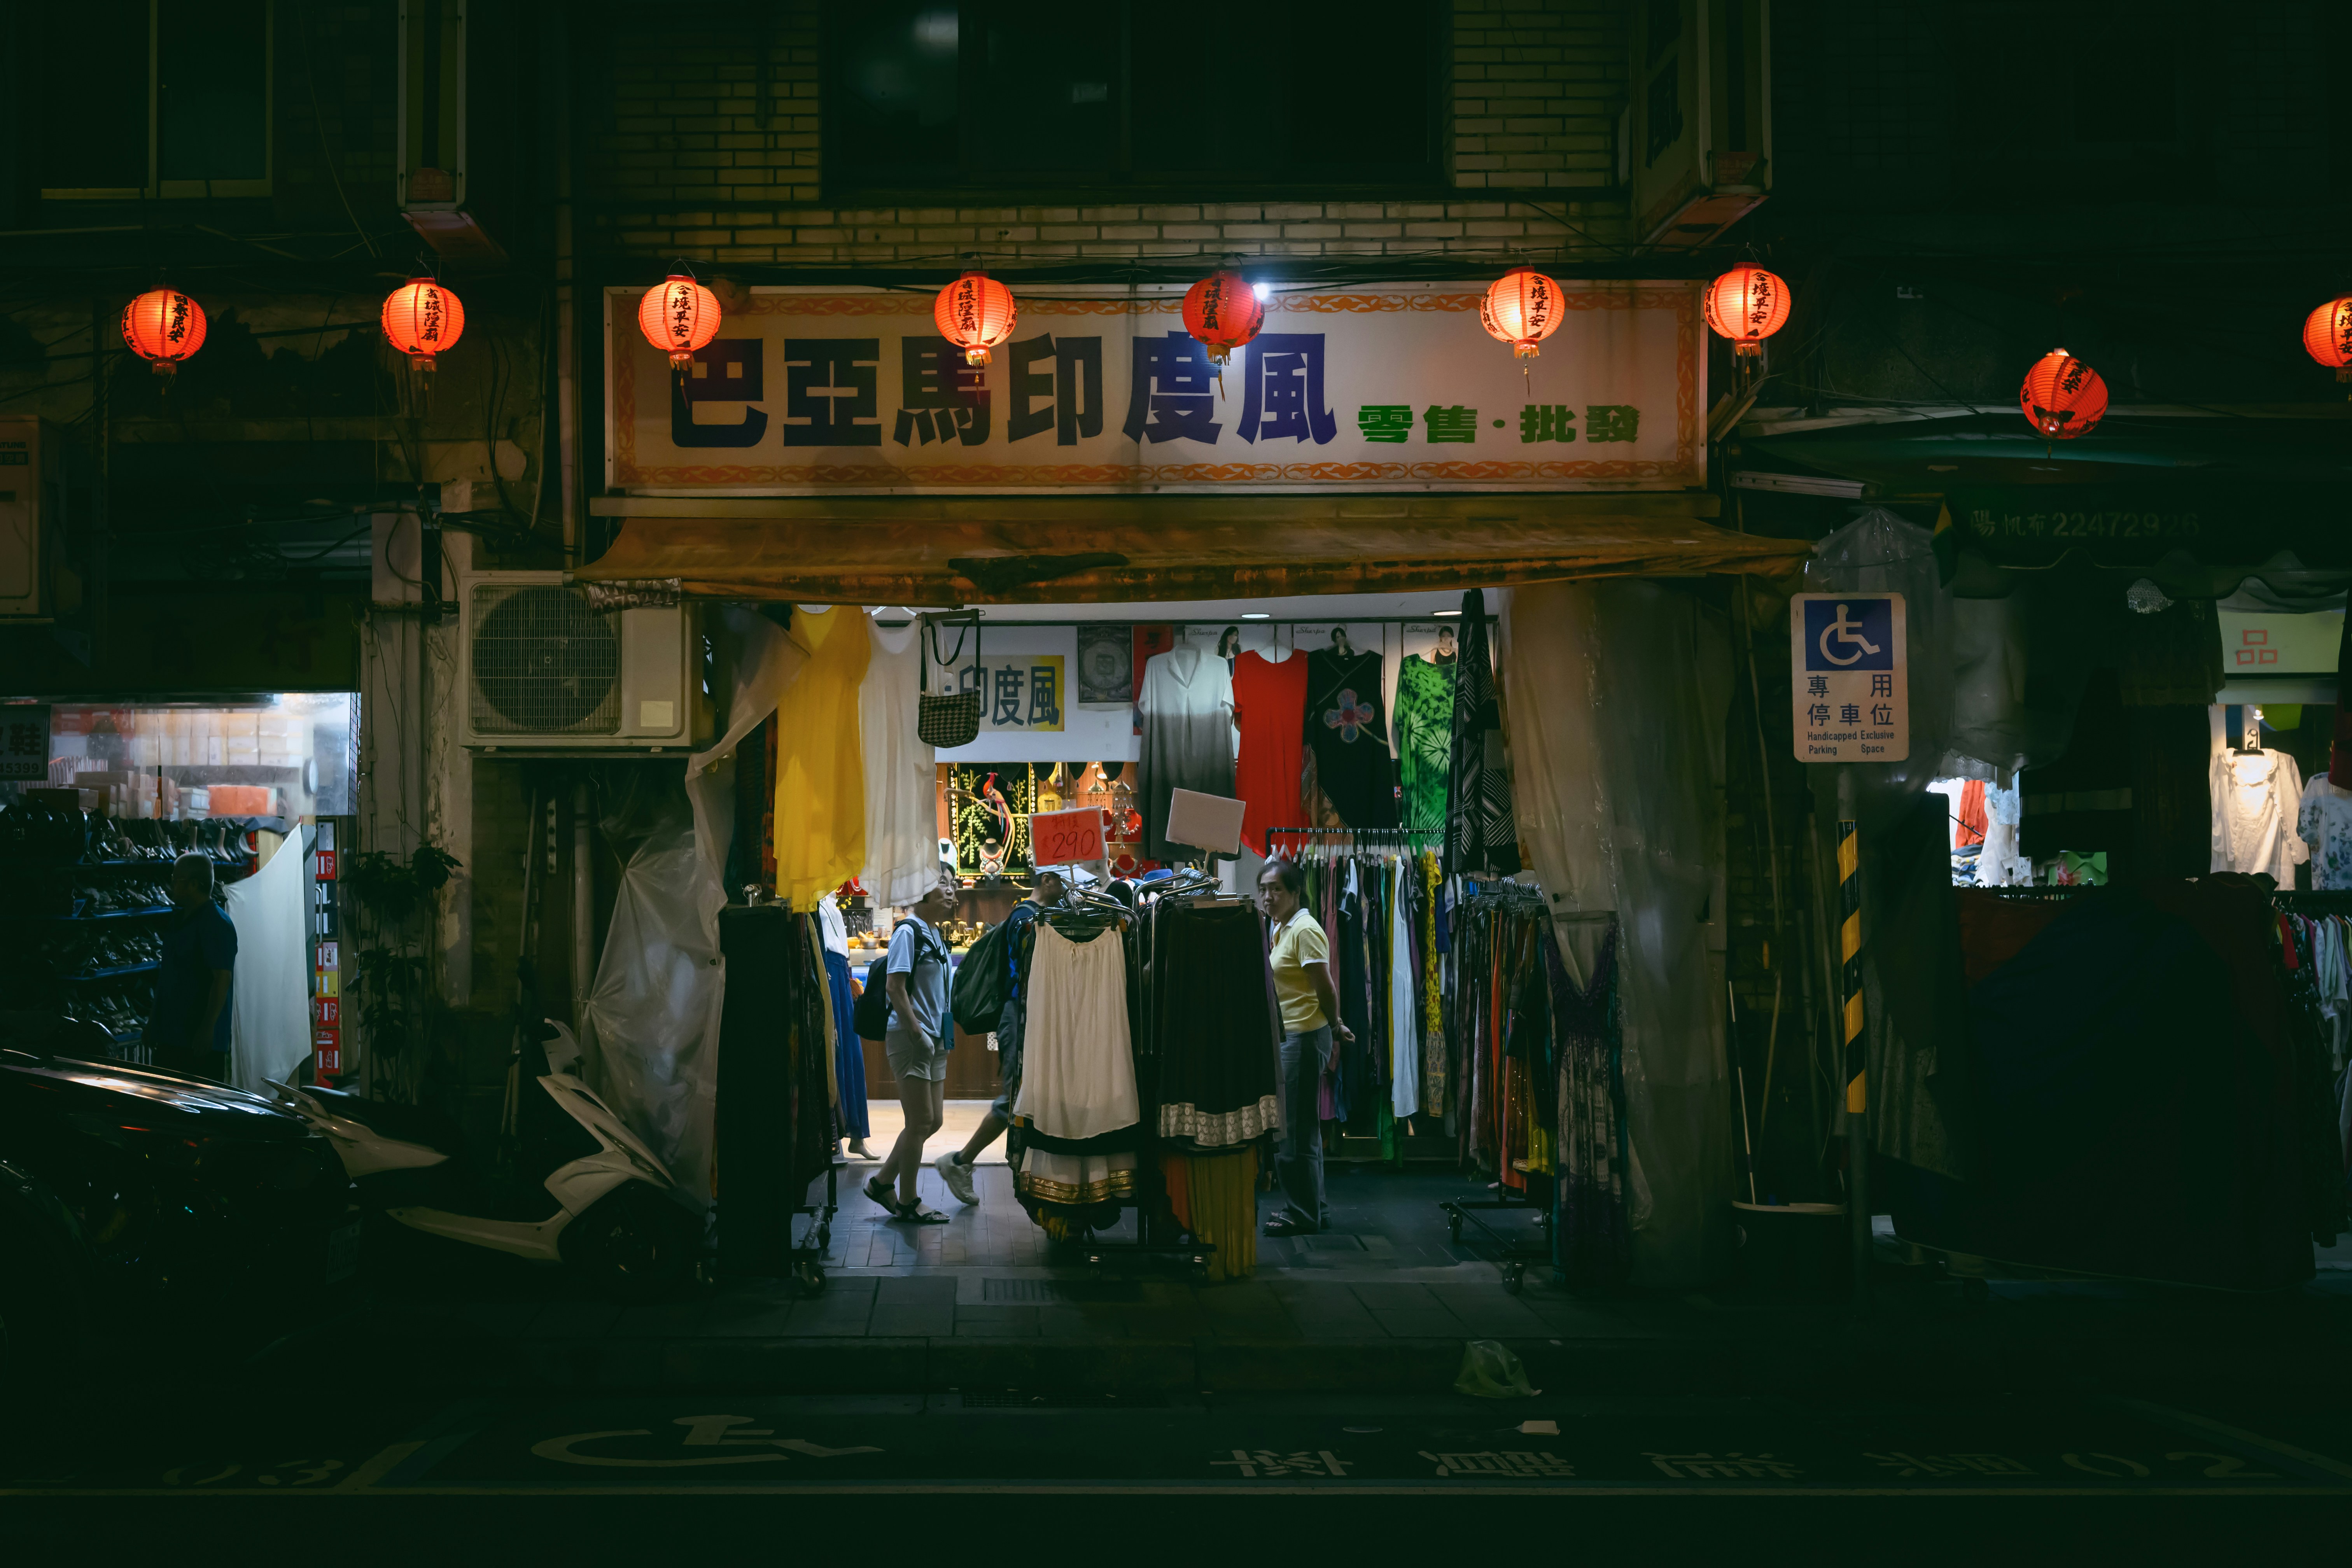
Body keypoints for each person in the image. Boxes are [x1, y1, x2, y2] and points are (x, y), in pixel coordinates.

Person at [934, 868, 1066, 1204]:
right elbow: (1027, 976)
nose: (1068, 888)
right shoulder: (1026, 918)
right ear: (1048, 881)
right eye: (1063, 881)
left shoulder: (1035, 915)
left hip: (1024, 1015)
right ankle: (959, 1161)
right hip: (1020, 1016)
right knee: (1015, 1098)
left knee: (1025, 1097)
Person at [1257, 857, 1351, 1236]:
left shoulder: (1305, 929)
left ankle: (1303, 1213)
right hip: (1292, 1035)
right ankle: (1315, 1208)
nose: (1269, 896)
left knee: (1293, 1133)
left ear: (1296, 892)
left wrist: (1336, 1025)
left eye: (1277, 889)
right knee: (1303, 1130)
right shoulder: (1280, 927)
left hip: (1303, 1037)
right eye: (1264, 889)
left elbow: (1324, 985)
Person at [864, 868, 959, 1222]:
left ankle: (882, 1183)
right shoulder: (909, 930)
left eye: (952, 884)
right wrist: (918, 1033)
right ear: (921, 891)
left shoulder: (934, 932)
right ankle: (907, 1200)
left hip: (934, 1038)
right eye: (943, 884)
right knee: (920, 1120)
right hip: (911, 1036)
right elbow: (895, 987)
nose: (950, 891)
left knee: (931, 1121)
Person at [150, 854, 236, 1082]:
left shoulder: (216, 924)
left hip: (198, 1040)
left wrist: (208, 1029)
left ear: (194, 884)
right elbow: (168, 975)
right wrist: (154, 1022)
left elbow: (222, 979)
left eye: (176, 880)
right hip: (171, 1034)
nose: (172, 885)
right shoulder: (179, 920)